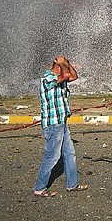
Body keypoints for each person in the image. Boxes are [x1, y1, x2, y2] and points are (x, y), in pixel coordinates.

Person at [33, 54, 88, 197]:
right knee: (52, 157)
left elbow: (74, 76)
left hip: (62, 123)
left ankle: (72, 184)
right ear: (57, 67)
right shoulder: (47, 79)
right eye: (63, 66)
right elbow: (66, 74)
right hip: (52, 125)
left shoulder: (61, 76)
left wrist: (67, 63)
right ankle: (39, 187)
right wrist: (64, 65)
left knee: (69, 154)